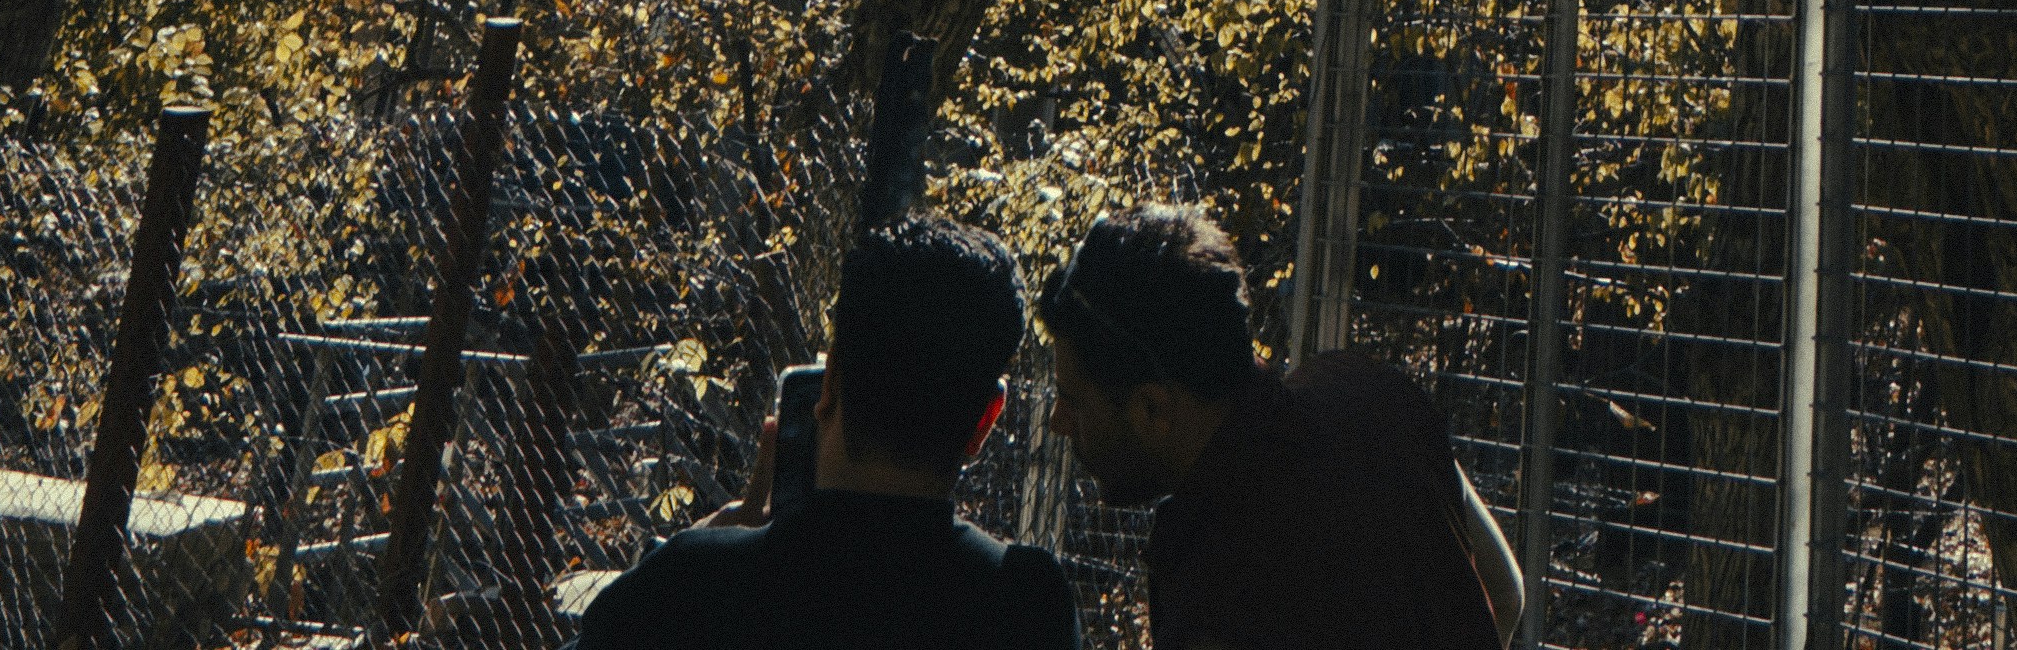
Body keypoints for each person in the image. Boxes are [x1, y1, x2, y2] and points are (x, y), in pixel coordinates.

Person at [1039, 208, 1512, 650]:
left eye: (1073, 399)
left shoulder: (1214, 590)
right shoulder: (1367, 394)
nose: (1058, 422)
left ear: (1152, 412)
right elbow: (1504, 594)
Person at [585, 222, 1076, 634]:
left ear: (831, 382)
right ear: (986, 419)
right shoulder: (1027, 604)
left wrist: (698, 549)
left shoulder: (694, 586)